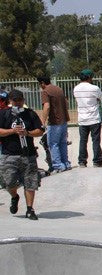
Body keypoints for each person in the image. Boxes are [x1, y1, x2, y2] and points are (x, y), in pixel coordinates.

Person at [0, 90, 45, 220]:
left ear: (23, 100)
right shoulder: (3, 114)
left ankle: (30, 209)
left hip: (28, 154)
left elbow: (40, 130)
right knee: (8, 182)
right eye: (15, 100)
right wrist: (12, 131)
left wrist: (28, 133)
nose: (18, 103)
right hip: (9, 154)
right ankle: (14, 196)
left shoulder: (30, 114)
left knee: (30, 182)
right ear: (10, 101)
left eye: (20, 100)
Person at [73, 69, 102, 168]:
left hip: (82, 119)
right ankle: (97, 161)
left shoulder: (76, 88)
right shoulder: (94, 88)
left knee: (83, 140)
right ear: (89, 78)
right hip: (94, 118)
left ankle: (82, 161)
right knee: (95, 140)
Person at [38, 76, 71, 173]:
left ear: (42, 83)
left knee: (53, 144)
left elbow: (47, 107)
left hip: (54, 122)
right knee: (63, 143)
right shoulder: (59, 89)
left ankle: (58, 165)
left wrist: (42, 122)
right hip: (64, 121)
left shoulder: (46, 91)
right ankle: (66, 163)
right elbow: (66, 103)